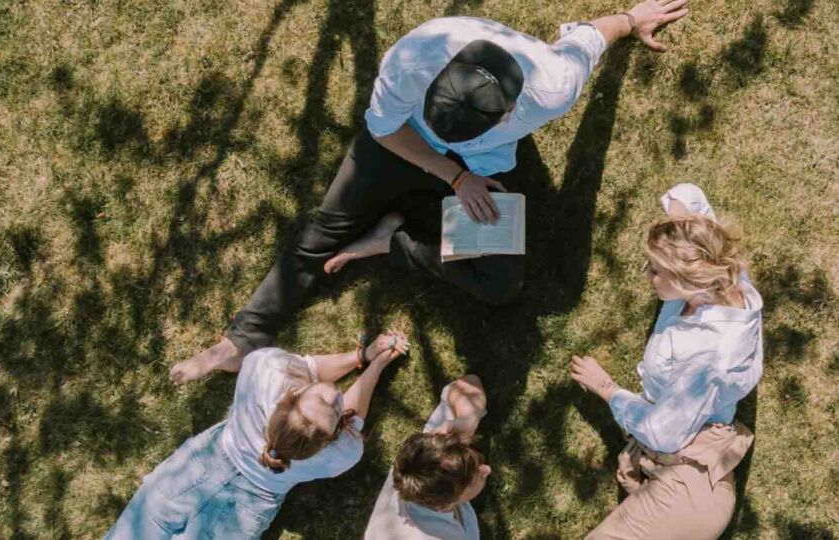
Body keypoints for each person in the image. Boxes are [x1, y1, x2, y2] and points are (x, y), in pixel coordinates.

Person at [169, 0, 690, 385]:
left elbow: (590, 39)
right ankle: (240, 341)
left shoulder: (551, 84)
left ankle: (391, 241)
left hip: (482, 168)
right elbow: (384, 131)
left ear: (510, 111)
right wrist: (453, 177)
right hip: (405, 145)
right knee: (324, 232)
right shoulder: (411, 60)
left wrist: (631, 19)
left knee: (500, 285)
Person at [569, 183, 763, 540]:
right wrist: (678, 224)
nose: (647, 275)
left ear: (687, 278)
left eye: (656, 270)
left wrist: (606, 388)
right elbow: (690, 195)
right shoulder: (720, 273)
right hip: (681, 463)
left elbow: (664, 432)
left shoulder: (708, 358)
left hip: (690, 490)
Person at [106, 331, 409, 539]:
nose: (335, 395)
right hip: (246, 507)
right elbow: (352, 417)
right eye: (333, 406)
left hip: (197, 469)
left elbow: (306, 368)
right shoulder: (342, 453)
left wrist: (364, 355)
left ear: (293, 394)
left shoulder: (266, 372)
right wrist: (376, 363)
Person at [364, 375, 490, 539]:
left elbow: (469, 383)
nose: (487, 469)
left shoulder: (425, 461)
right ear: (443, 506)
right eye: (475, 478)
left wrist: (468, 421)